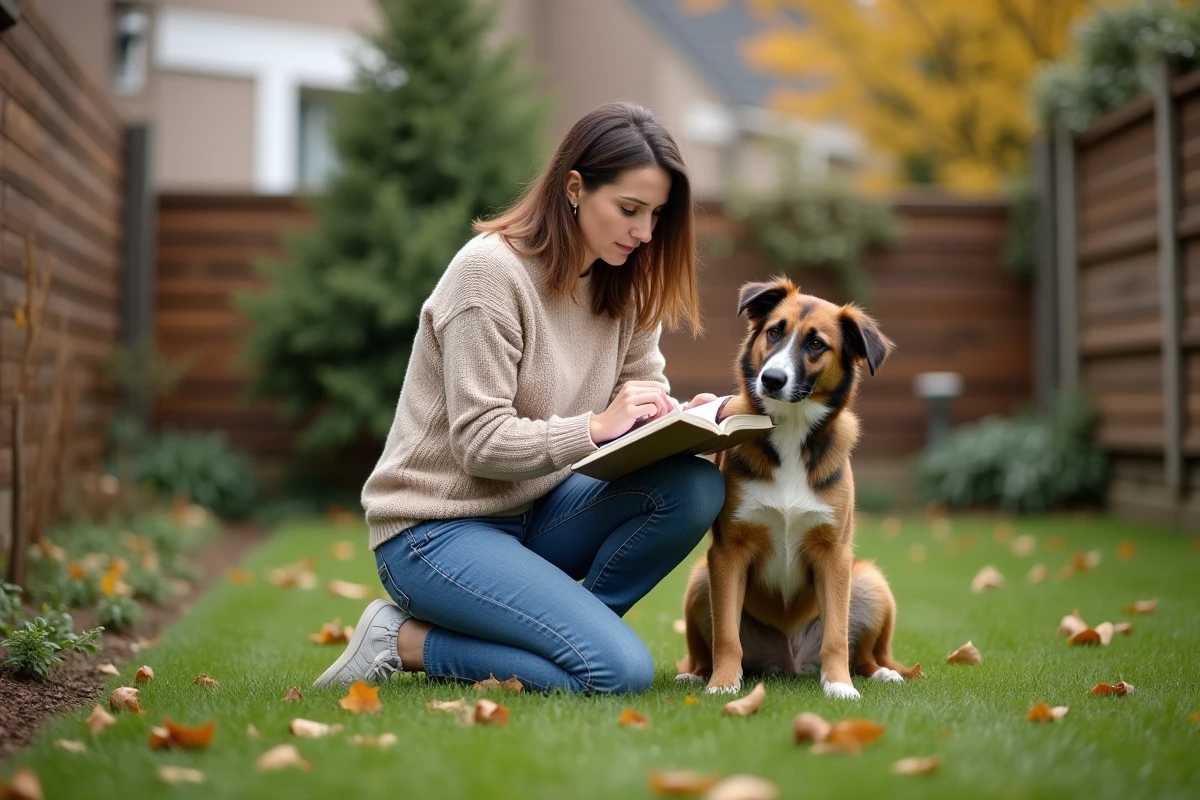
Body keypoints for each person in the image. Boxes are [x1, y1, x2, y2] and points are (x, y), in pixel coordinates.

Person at [313, 101, 725, 695]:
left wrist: (674, 418)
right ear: (575, 188)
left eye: (657, 214)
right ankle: (401, 640)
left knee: (694, 485)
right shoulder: (488, 276)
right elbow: (480, 444)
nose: (645, 233)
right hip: (434, 531)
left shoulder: (626, 282)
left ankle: (567, 635)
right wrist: (595, 427)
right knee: (619, 672)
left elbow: (641, 391)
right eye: (630, 210)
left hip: (538, 512)